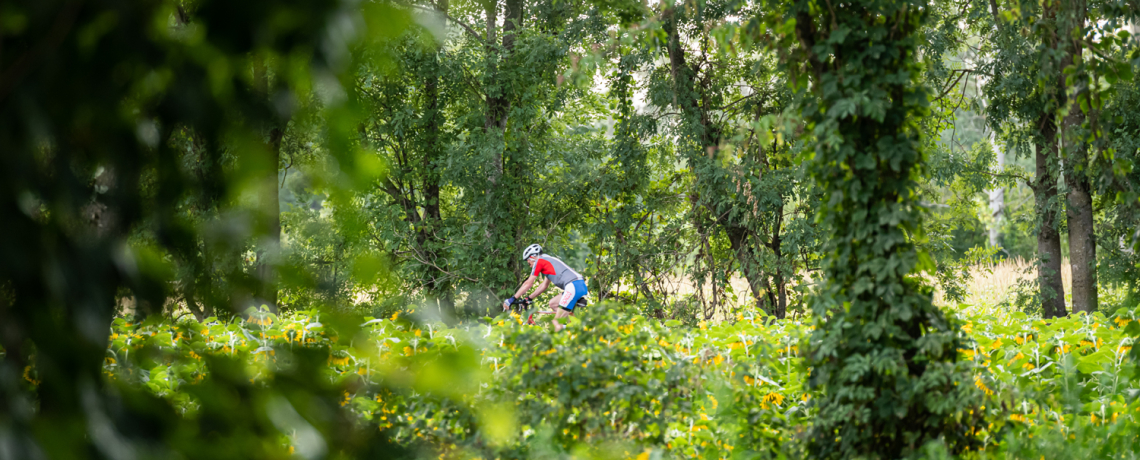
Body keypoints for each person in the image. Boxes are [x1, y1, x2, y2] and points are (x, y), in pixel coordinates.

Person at [503, 244, 587, 332]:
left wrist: (512, 299)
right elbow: (544, 286)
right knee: (553, 303)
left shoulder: (539, 261)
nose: (530, 266)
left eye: (529, 263)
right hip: (578, 285)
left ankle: (562, 343)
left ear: (532, 257)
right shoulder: (547, 262)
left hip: (573, 286)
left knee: (556, 323)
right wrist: (529, 298)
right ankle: (575, 330)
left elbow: (528, 283)